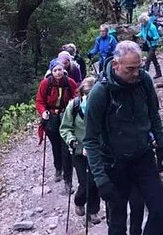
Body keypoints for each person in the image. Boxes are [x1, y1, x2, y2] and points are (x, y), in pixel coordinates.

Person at [84, 41, 163, 235]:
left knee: (159, 212)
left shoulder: (144, 81)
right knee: (117, 224)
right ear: (116, 65)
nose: (135, 73)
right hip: (114, 164)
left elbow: (154, 114)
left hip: (143, 157)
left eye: (138, 68)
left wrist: (162, 145)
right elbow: (90, 139)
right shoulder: (100, 93)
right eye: (130, 69)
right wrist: (101, 179)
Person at [60, 76, 102, 225]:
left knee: (95, 181)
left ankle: (93, 211)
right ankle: (79, 201)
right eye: (87, 95)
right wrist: (72, 141)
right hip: (78, 151)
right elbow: (65, 128)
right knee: (85, 182)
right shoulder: (74, 106)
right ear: (82, 93)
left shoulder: (101, 107)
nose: (89, 98)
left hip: (96, 151)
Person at [35, 60, 79, 192]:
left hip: (66, 116)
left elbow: (77, 95)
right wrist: (43, 112)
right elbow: (40, 101)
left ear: (63, 70)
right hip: (52, 117)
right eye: (55, 70)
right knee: (56, 146)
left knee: (66, 148)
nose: (58, 73)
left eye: (60, 70)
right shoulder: (45, 83)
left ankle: (67, 181)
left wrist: (73, 105)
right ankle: (58, 168)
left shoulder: (69, 82)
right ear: (51, 71)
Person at [137, 13, 162, 79]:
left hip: (153, 44)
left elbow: (157, 36)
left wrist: (151, 38)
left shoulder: (152, 27)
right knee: (154, 59)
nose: (141, 23)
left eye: (141, 21)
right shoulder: (143, 26)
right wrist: (137, 36)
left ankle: (145, 76)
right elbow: (142, 33)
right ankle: (159, 73)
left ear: (145, 20)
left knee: (148, 60)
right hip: (148, 44)